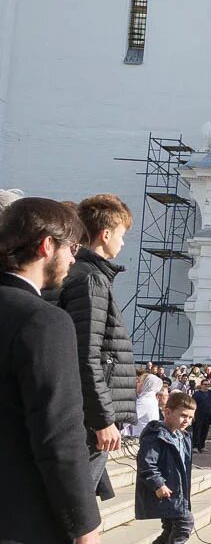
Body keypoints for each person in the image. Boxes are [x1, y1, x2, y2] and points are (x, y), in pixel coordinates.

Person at [0, 197, 101, 544]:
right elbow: (59, 435)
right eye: (69, 248)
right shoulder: (42, 320)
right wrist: (82, 520)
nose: (72, 259)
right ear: (46, 246)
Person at [52, 193, 135, 503]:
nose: (123, 244)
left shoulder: (90, 275)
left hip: (92, 410)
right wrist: (102, 419)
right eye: (122, 236)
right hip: (94, 418)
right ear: (106, 234)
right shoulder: (91, 281)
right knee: (77, 504)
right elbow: (87, 353)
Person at [133, 391, 196, 544]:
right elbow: (147, 462)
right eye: (183, 415)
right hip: (165, 490)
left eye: (190, 417)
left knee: (170, 529)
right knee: (185, 522)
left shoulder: (183, 436)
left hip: (179, 490)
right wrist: (158, 484)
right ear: (167, 412)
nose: (187, 421)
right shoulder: (156, 435)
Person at [190, 375, 211, 451]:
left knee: (205, 431)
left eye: (208, 385)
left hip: (208, 415)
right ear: (201, 385)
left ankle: (202, 446)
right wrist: (192, 415)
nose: (207, 386)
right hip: (198, 415)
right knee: (197, 431)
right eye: (205, 384)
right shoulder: (197, 394)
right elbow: (193, 405)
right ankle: (195, 446)